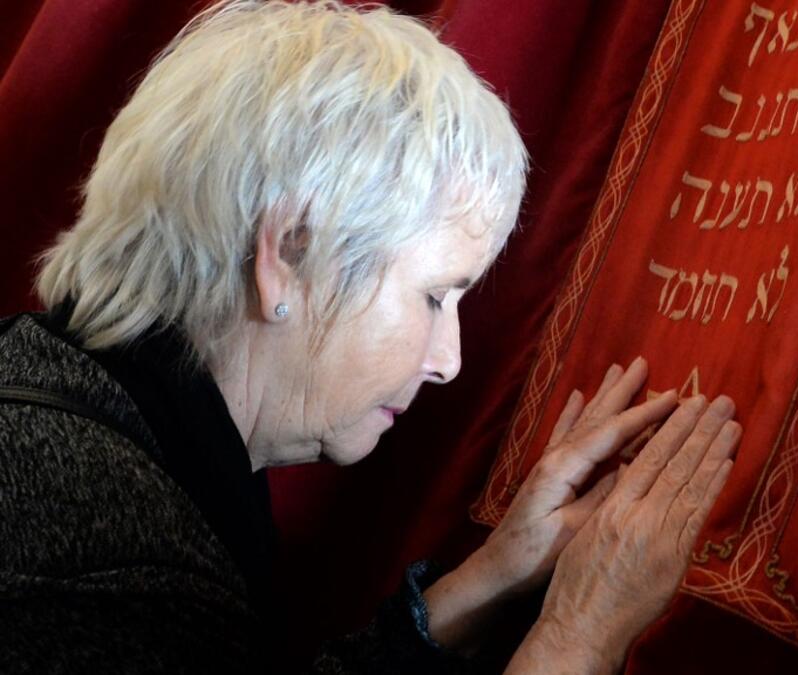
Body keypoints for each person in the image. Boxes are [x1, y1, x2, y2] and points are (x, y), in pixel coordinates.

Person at [0, 1, 741, 673]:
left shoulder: (71, 402)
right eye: (432, 295)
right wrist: (579, 636)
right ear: (287, 254)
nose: (448, 361)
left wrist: (500, 570)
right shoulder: (110, 565)